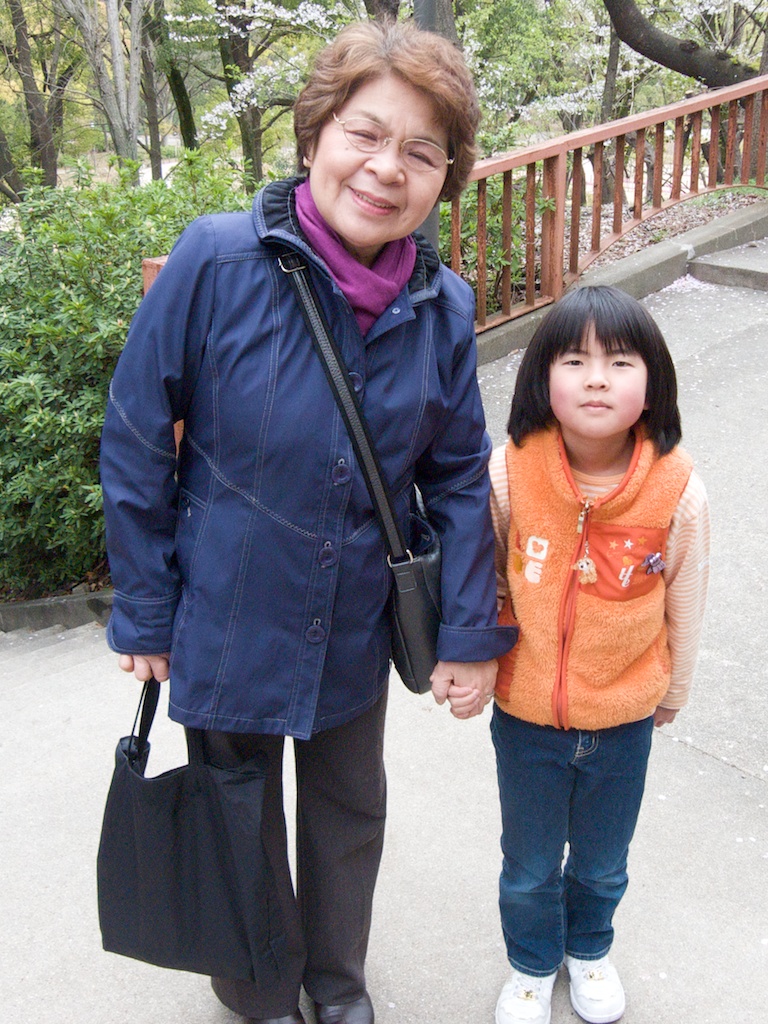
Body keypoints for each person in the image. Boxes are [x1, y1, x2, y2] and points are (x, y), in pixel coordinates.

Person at [100, 18, 516, 1024]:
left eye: (422, 152)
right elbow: (134, 436)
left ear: (445, 176)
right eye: (364, 134)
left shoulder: (441, 303)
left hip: (354, 620)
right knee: (236, 814)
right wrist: (147, 612)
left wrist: (468, 630)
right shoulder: (218, 259)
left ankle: (336, 987)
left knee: (346, 816)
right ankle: (258, 990)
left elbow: (459, 474)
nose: (386, 168)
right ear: (315, 134)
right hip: (227, 611)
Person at [486, 285, 710, 1024]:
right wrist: (481, 660)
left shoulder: (678, 491)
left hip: (623, 721)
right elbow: (483, 579)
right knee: (527, 866)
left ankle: (588, 949)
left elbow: (687, 598)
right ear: (542, 378)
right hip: (525, 717)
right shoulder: (509, 471)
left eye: (620, 361)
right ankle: (530, 964)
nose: (595, 378)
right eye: (574, 359)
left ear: (653, 386)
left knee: (603, 863)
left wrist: (672, 691)